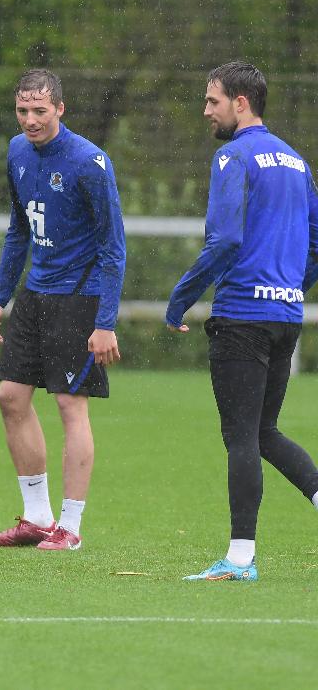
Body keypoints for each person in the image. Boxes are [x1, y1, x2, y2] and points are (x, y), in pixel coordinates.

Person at [166, 61, 318, 582]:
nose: (206, 111)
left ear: (241, 103)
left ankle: (239, 559)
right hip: (285, 317)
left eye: (213, 101)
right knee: (263, 432)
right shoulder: (296, 161)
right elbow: (317, 242)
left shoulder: (232, 156)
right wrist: (291, 288)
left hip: (243, 318)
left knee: (241, 439)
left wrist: (181, 298)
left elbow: (225, 239)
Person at [0, 68, 126, 552]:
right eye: (22, 110)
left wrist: (105, 322)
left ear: (60, 109)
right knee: (10, 397)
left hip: (79, 297)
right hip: (35, 294)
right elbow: (18, 230)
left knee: (69, 404)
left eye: (40, 111)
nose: (30, 120)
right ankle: (38, 519)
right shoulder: (17, 152)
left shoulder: (89, 162)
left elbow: (113, 248)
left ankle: (71, 526)